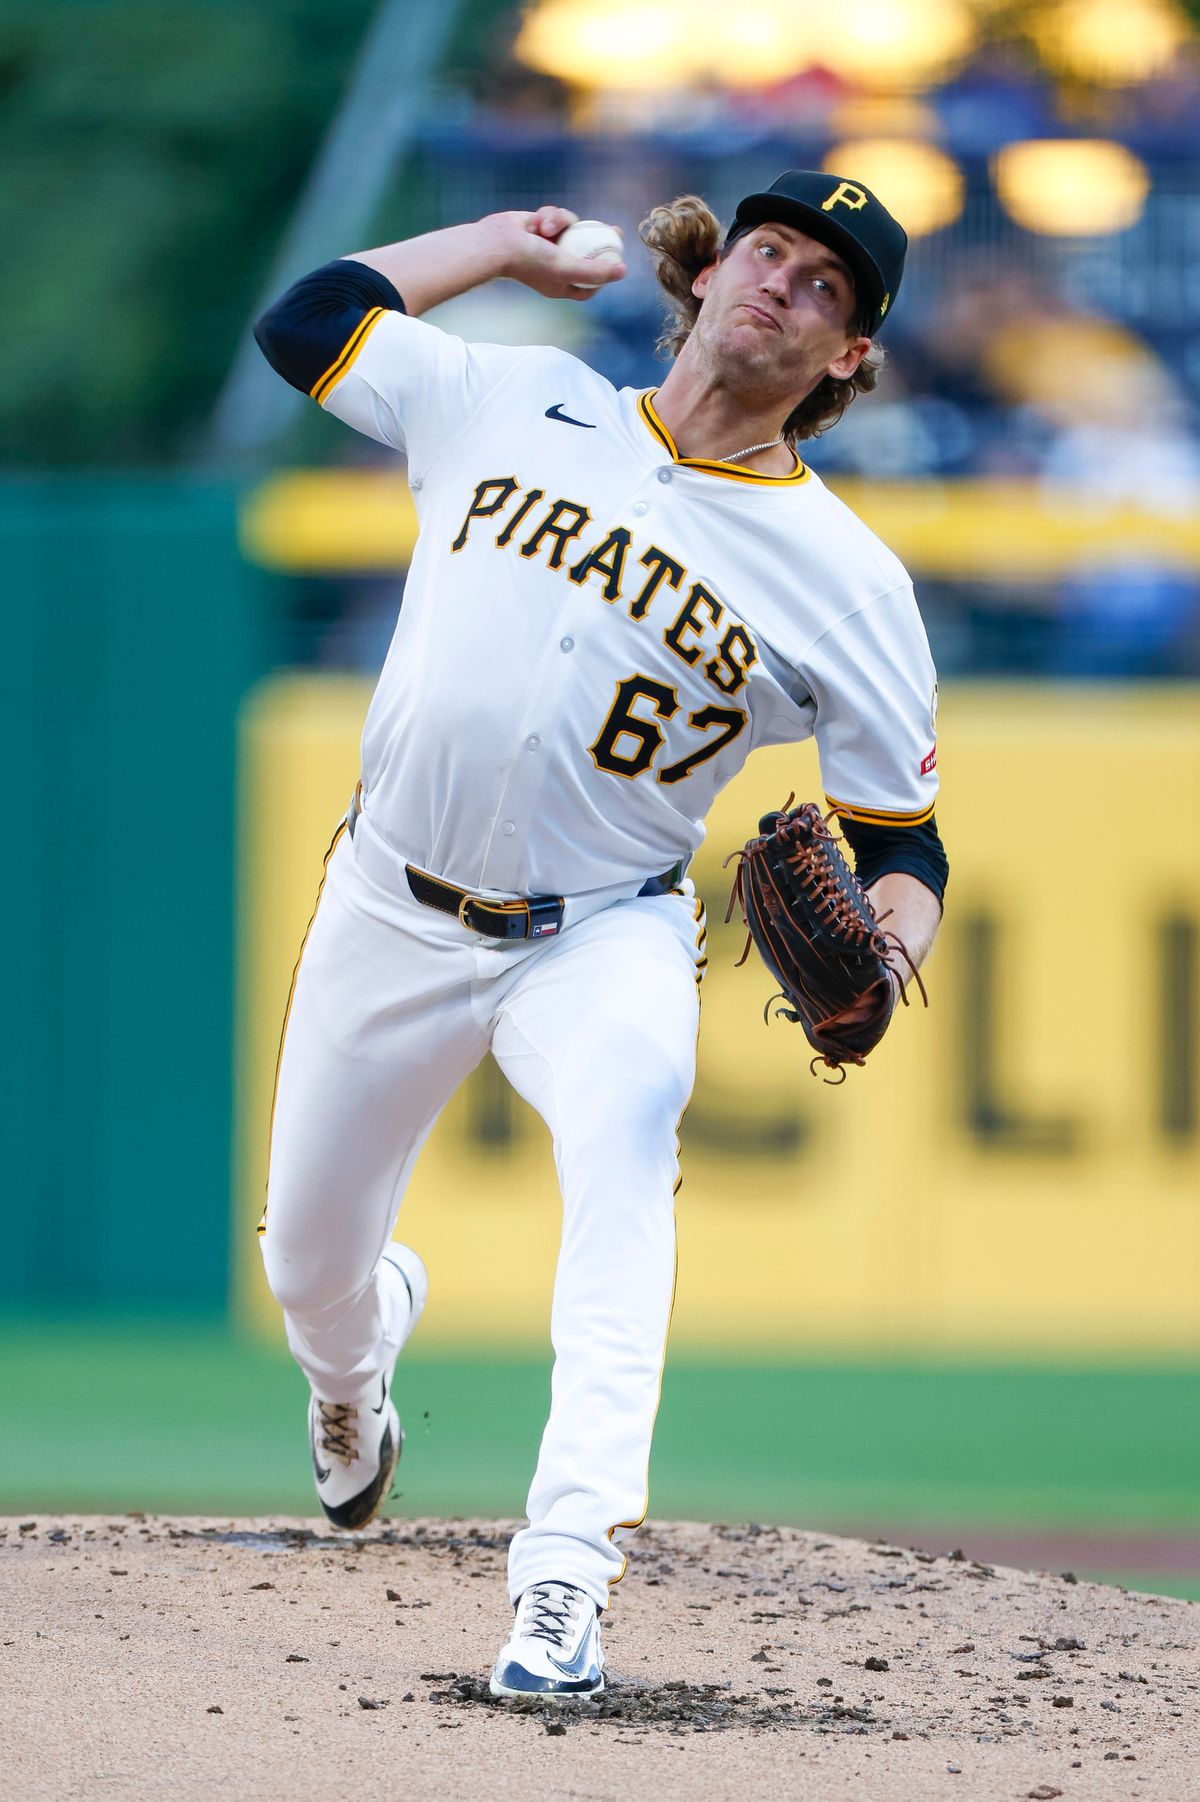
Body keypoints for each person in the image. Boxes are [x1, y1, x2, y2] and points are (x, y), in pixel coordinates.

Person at [253, 171, 948, 1700]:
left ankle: (563, 1581)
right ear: (708, 279)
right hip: (389, 901)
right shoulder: (519, 399)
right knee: (307, 1260)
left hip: (603, 932)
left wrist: (887, 960)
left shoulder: (849, 578)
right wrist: (501, 246)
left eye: (826, 286)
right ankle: (353, 1380)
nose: (782, 282)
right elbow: (307, 323)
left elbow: (905, 841)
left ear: (847, 359)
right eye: (769, 250)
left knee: (629, 1157)